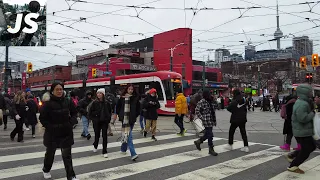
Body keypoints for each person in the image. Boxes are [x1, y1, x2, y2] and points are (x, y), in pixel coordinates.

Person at [39, 82, 78, 180]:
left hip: (66, 132)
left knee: (67, 156)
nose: (59, 91)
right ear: (52, 91)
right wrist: (50, 127)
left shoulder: (68, 101)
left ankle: (71, 176)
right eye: (57, 89)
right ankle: (46, 169)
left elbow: (74, 113)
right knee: (50, 154)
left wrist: (71, 123)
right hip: (52, 134)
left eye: (61, 89)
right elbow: (42, 118)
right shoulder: (47, 104)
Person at [285, 84, 316, 174]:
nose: (311, 93)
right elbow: (302, 118)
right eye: (310, 92)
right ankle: (293, 165)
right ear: (305, 92)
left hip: (303, 130)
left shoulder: (302, 102)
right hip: (302, 131)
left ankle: (292, 155)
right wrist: (312, 114)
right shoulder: (302, 104)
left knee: (310, 146)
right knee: (307, 149)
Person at [116, 84, 140, 161]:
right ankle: (133, 153)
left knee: (126, 134)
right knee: (129, 136)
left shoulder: (135, 98)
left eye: (132, 89)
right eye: (129, 89)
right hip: (125, 119)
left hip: (132, 119)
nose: (130, 90)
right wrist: (120, 115)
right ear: (126, 89)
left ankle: (123, 149)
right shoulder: (122, 98)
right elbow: (118, 107)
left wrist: (134, 115)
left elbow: (138, 109)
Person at [193, 90, 218, 156]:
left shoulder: (211, 101)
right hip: (206, 120)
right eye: (209, 94)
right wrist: (202, 117)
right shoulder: (202, 101)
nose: (210, 95)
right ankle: (211, 149)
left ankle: (198, 142)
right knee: (210, 135)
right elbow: (197, 110)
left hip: (211, 120)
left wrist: (214, 100)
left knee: (208, 134)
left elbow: (217, 107)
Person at [89, 88, 112, 158]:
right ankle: (95, 145)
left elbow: (109, 111)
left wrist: (108, 119)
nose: (98, 94)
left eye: (100, 93)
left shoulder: (107, 103)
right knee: (97, 135)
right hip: (96, 121)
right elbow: (90, 112)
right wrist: (95, 116)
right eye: (98, 93)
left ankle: (104, 151)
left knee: (104, 136)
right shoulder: (94, 102)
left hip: (104, 121)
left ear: (103, 94)